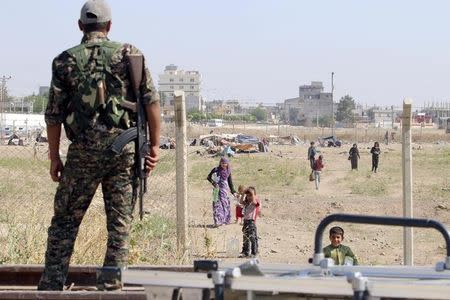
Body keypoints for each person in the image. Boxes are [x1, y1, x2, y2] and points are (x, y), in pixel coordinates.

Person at [38, 0, 161, 291]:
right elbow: (152, 103)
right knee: (119, 224)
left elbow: (53, 115)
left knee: (65, 221)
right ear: (109, 26)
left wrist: (54, 157)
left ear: (80, 26)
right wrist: (154, 146)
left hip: (82, 153)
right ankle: (111, 285)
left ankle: (52, 283)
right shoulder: (131, 53)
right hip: (125, 151)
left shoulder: (64, 60)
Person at [207, 157, 236, 227]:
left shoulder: (228, 171)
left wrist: (233, 191)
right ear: (220, 163)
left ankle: (225, 221)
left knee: (225, 205)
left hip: (224, 191)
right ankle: (217, 222)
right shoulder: (215, 170)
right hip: (216, 190)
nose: (224, 164)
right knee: (216, 205)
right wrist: (213, 183)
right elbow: (208, 177)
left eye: (225, 163)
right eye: (222, 163)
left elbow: (230, 182)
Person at [239, 187, 260, 258]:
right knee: (245, 237)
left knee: (252, 237)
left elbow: (255, 202)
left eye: (250, 195)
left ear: (254, 195)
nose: (249, 197)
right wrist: (243, 194)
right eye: (247, 196)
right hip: (245, 221)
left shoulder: (255, 202)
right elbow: (241, 202)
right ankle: (245, 252)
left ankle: (254, 252)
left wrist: (252, 194)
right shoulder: (247, 202)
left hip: (251, 222)